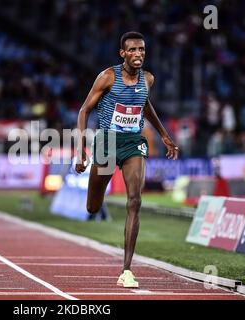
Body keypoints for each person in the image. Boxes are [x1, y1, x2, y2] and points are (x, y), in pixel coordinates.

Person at [75, 31, 179, 288]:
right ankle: (94, 198)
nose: (138, 54)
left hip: (134, 142)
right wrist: (81, 151)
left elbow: (144, 105)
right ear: (122, 53)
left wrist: (164, 135)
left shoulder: (148, 79)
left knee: (135, 200)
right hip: (108, 142)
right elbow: (84, 110)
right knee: (93, 207)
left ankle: (126, 270)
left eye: (141, 50)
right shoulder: (107, 76)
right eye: (132, 50)